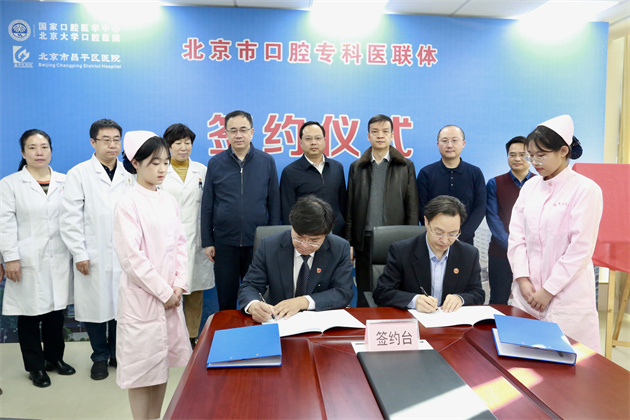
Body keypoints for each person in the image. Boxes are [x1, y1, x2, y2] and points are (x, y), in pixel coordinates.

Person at [113, 131, 192, 420]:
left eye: (165, 162)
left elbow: (181, 245)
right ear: (136, 163)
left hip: (171, 296)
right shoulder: (128, 203)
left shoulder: (168, 200)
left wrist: (179, 284)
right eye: (154, 163)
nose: (162, 169)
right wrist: (164, 292)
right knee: (141, 371)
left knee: (162, 365)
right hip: (143, 298)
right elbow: (132, 258)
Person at [508, 115, 603, 352]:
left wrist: (548, 290)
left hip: (566, 295)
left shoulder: (585, 189)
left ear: (563, 151)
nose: (535, 162)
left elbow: (580, 248)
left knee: (569, 360)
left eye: (541, 155)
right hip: (527, 293)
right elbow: (517, 237)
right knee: (523, 357)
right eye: (531, 156)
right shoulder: (530, 187)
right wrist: (522, 279)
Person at [60, 118, 134, 380]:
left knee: (121, 307)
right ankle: (99, 357)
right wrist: (79, 253)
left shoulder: (130, 174)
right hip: (92, 253)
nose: (112, 145)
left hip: (124, 254)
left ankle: (116, 354)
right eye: (106, 140)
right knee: (95, 308)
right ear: (93, 142)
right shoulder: (78, 174)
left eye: (116, 140)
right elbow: (69, 218)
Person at [0, 129, 75, 388]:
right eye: (32, 147)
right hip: (26, 259)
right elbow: (5, 224)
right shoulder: (10, 184)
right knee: (29, 314)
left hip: (59, 257)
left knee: (56, 311)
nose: (39, 152)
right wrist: (10, 258)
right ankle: (35, 367)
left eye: (44, 147)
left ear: (51, 150)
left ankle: (55, 358)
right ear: (23, 153)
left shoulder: (66, 181)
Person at [200, 110, 281, 311]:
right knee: (226, 300)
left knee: (257, 301)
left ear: (252, 132)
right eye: (233, 130)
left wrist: (271, 239)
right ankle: (227, 331)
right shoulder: (216, 163)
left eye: (243, 130)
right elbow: (207, 204)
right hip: (224, 243)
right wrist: (208, 241)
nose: (238, 135)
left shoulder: (266, 161)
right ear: (226, 133)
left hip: (258, 244)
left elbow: (274, 203)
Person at [238, 195, 353, 323]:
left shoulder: (339, 248)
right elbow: (250, 286)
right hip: (279, 321)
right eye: (299, 237)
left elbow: (343, 292)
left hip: (320, 322)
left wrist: (303, 302)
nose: (305, 245)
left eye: (314, 240)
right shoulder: (269, 246)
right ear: (292, 227)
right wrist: (253, 305)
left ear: (325, 235)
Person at [346, 114, 419, 307]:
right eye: (375, 132)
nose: (380, 135)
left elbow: (412, 206)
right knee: (364, 290)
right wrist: (350, 242)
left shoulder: (405, 166)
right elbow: (350, 208)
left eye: (385, 131)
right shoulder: (356, 167)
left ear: (392, 135)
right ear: (368, 136)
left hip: (395, 239)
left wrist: (411, 240)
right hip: (364, 239)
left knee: (394, 289)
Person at [373, 195, 485, 312]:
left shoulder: (469, 254)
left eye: (452, 234)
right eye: (439, 232)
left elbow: (478, 293)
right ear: (426, 222)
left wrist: (460, 298)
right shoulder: (402, 251)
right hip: (413, 319)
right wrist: (414, 301)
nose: (445, 240)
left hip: (450, 320)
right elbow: (382, 292)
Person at [161, 123, 214, 349]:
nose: (183, 147)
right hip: (166, 241)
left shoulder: (201, 170)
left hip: (196, 240)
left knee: (195, 292)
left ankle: (191, 338)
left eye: (187, 142)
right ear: (168, 146)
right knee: (168, 292)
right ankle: (168, 339)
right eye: (178, 143)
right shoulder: (159, 169)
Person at [486, 136, 536, 304]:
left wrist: (526, 249)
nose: (517, 159)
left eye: (522, 155)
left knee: (531, 300)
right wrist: (513, 247)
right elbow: (493, 218)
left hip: (533, 254)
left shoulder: (540, 182)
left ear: (531, 156)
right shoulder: (494, 183)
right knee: (498, 299)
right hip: (500, 252)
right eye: (512, 155)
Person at [417, 125, 486, 245]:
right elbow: (421, 207)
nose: (449, 145)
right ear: (438, 144)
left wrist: (460, 235)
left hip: (465, 241)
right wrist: (436, 233)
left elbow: (480, 207)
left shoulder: (475, 173)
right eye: (444, 141)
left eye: (454, 140)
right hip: (434, 240)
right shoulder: (426, 173)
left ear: (463, 144)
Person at [280, 121, 347, 236]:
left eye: (318, 138)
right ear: (301, 142)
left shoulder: (337, 167)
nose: (313, 142)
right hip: (307, 236)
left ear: (324, 141)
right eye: (308, 139)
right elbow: (287, 211)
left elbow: (343, 204)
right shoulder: (290, 172)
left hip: (336, 233)